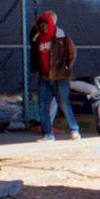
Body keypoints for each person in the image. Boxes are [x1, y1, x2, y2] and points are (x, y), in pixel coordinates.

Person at [31, 11, 80, 140]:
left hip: (60, 77)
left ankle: (74, 129)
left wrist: (65, 68)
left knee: (64, 103)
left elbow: (72, 53)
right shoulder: (37, 39)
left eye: (46, 24)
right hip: (44, 78)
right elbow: (35, 56)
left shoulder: (62, 37)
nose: (44, 27)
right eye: (41, 24)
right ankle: (47, 133)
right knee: (43, 106)